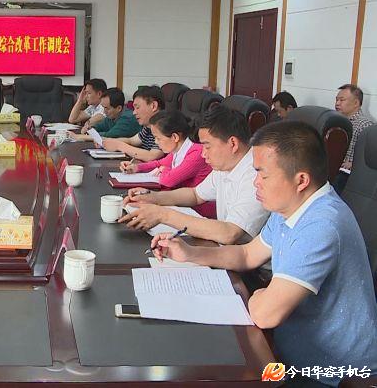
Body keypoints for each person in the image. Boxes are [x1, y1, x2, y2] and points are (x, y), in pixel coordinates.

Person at [150, 121, 377, 388]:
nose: (255, 182)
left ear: (301, 180)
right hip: (292, 349)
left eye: (262, 175)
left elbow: (266, 315)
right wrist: (189, 253)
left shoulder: (321, 225)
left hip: (330, 373)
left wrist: (261, 295)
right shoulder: (291, 206)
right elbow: (248, 255)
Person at [120, 105, 269, 245]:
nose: (203, 154)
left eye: (207, 146)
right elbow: (195, 195)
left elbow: (230, 233)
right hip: (225, 250)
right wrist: (152, 197)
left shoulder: (256, 174)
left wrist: (163, 215)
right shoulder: (225, 166)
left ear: (233, 144)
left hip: (245, 260)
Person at [120, 109, 215, 218]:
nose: (156, 142)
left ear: (175, 137)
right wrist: (136, 167)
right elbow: (159, 163)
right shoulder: (178, 150)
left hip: (198, 211)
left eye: (158, 138)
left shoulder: (196, 152)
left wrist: (165, 169)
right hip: (179, 203)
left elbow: (168, 180)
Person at [101, 85, 165, 162]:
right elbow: (132, 140)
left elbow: (151, 156)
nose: (134, 112)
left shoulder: (165, 126)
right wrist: (108, 141)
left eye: (137, 107)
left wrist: (118, 145)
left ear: (153, 106)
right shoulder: (148, 127)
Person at [333, 84, 374, 192]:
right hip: (335, 168)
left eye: (342, 100)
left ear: (356, 103)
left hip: (348, 175)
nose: (337, 103)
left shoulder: (365, 125)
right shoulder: (337, 121)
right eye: (336, 100)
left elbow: (367, 158)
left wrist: (353, 163)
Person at [67, 88, 140, 141]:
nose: (104, 112)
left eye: (107, 108)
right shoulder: (111, 116)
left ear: (119, 108)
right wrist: (89, 129)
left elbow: (109, 136)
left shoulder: (128, 118)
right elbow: (98, 127)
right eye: (103, 107)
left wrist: (80, 136)